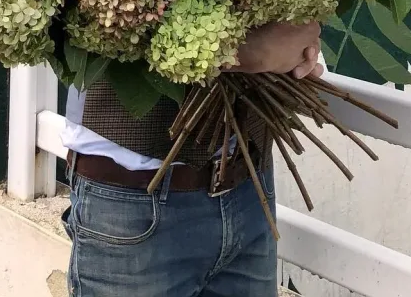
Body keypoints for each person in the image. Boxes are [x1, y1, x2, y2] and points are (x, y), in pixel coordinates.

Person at [62, 20, 325, 296]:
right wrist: (243, 49)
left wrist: (301, 34)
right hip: (135, 202)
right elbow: (98, 15)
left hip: (249, 185)